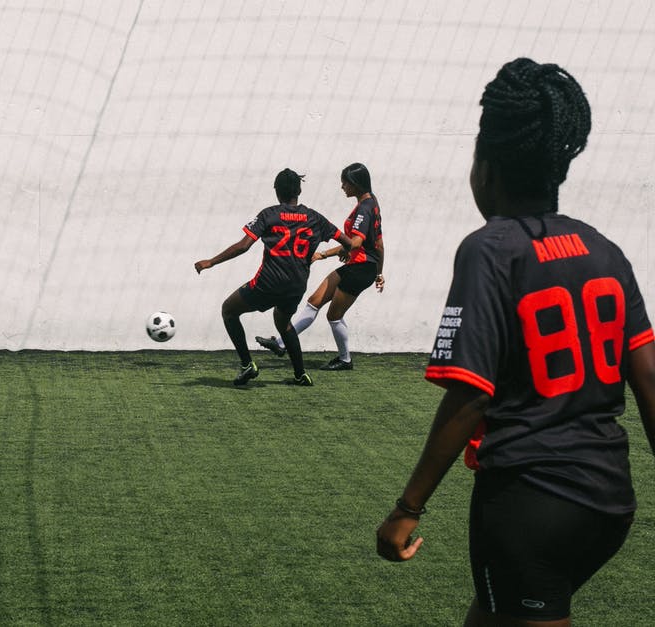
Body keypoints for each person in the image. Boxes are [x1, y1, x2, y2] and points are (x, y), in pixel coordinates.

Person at [376, 58, 655, 626]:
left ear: (488, 167)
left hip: (530, 502)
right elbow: (649, 377)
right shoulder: (604, 249)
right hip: (610, 500)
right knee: (492, 613)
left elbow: (471, 395)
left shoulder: (489, 249)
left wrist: (407, 508)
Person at [194, 169, 353, 386]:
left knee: (228, 310)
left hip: (268, 283)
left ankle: (247, 364)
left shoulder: (269, 214)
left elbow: (243, 246)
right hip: (296, 286)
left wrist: (211, 262)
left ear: (277, 192)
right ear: (299, 190)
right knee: (283, 323)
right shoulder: (315, 217)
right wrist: (346, 250)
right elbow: (347, 241)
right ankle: (300, 375)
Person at [255, 163, 385, 371]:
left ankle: (345, 360)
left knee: (333, 315)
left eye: (345, 182)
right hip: (360, 265)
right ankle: (281, 344)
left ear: (356, 184)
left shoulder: (364, 208)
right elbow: (378, 244)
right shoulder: (372, 203)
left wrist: (323, 254)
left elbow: (355, 243)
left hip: (360, 269)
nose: (342, 186)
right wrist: (379, 271)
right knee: (314, 301)